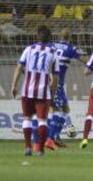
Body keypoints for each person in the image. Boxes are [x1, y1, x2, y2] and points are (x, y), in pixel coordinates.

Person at [11, 25, 60, 157]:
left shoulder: (29, 49)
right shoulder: (53, 52)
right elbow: (55, 78)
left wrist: (13, 86)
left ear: (37, 36)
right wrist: (53, 94)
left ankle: (28, 147)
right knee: (42, 120)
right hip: (43, 92)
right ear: (50, 38)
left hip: (27, 91)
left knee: (27, 118)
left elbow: (18, 67)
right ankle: (40, 150)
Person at [44, 28, 88, 150]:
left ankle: (56, 137)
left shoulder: (51, 45)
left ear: (59, 36)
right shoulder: (71, 49)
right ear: (70, 38)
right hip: (55, 82)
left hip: (49, 79)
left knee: (65, 108)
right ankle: (50, 138)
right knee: (56, 109)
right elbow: (85, 60)